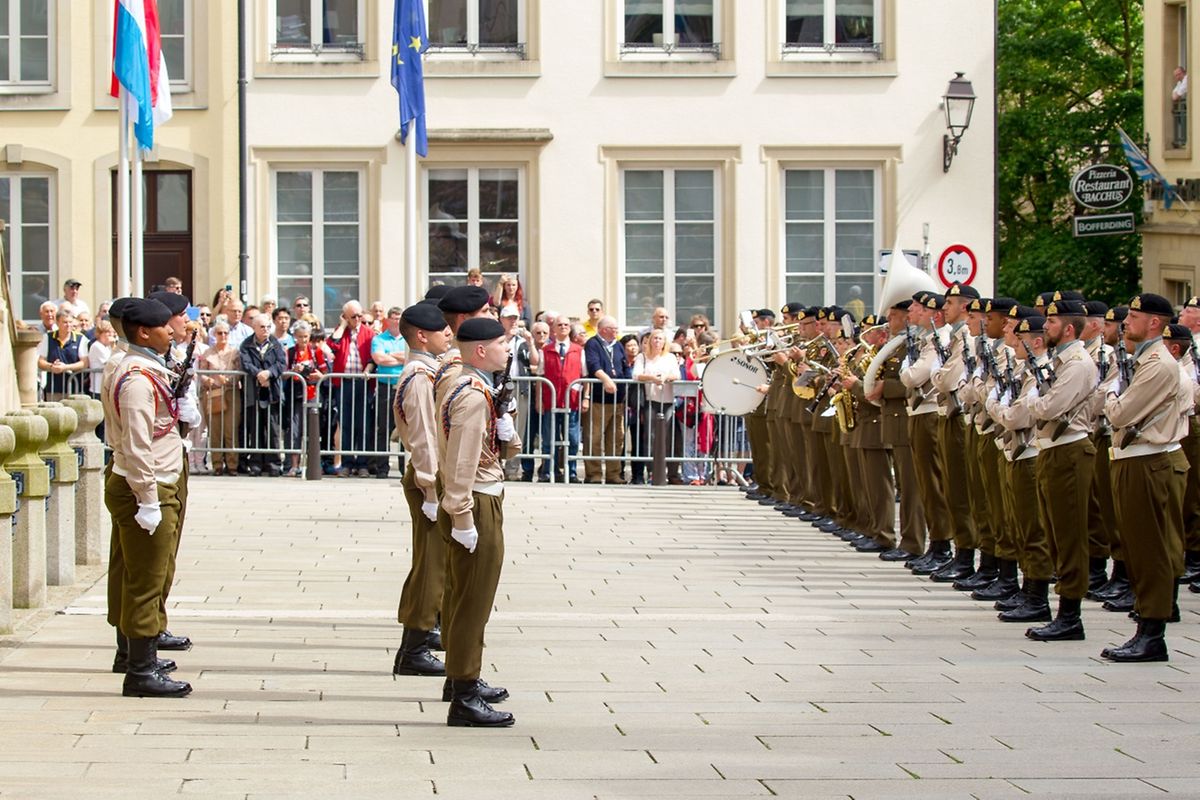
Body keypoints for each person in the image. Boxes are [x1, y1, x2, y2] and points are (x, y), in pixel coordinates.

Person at [101, 297, 192, 698]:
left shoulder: (141, 369)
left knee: (141, 573)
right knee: (146, 580)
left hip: (150, 477)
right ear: (143, 332)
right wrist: (148, 499)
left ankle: (138, 654)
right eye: (164, 327)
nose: (171, 331)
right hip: (147, 481)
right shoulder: (137, 379)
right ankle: (140, 671)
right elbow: (138, 445)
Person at [437, 316, 519, 727]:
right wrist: (463, 517)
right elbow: (463, 461)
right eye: (502, 344)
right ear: (481, 351)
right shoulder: (471, 395)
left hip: (479, 496)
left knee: (464, 593)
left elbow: (491, 448)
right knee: (474, 599)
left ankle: (458, 679)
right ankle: (464, 694)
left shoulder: (471, 387)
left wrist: (507, 428)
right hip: (479, 500)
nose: (507, 350)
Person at [1102, 293, 1189, 661]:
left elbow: (1120, 413)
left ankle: (1152, 633)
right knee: (1139, 547)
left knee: (1149, 549)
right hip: (1137, 460)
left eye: (1135, 316)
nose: (1127, 322)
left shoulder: (1157, 364)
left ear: (1155, 323)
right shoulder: (1147, 360)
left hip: (1148, 461)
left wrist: (1108, 393)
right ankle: (1146, 625)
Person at [1011, 298, 1097, 643]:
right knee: (1056, 534)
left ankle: (1071, 615)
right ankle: (1061, 609)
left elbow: (1046, 407)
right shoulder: (1060, 362)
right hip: (1053, 451)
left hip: (1070, 452)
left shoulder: (1076, 364)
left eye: (1051, 322)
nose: (1044, 327)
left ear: (1069, 328)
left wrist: (1030, 401)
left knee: (1070, 536)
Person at [391, 303, 453, 680]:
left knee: (436, 563)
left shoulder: (429, 370)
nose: (448, 334)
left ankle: (417, 642)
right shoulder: (418, 376)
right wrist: (430, 490)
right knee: (430, 565)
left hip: (434, 476)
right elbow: (424, 436)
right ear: (420, 336)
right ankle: (413, 648)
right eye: (440, 329)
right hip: (427, 477)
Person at [328, 300, 376, 476]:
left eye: (359, 315)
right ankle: (347, 462)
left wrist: (368, 370)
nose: (357, 319)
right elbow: (332, 346)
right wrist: (342, 326)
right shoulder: (341, 333)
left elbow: (373, 356)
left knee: (363, 422)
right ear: (346, 317)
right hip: (345, 382)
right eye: (353, 316)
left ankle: (362, 463)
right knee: (346, 423)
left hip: (362, 382)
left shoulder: (369, 333)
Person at [238, 313, 288, 476]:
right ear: (254, 328)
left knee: (273, 429)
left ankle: (273, 463)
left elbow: (281, 363)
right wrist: (259, 374)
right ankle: (256, 463)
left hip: (272, 391)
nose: (265, 330)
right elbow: (245, 363)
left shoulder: (275, 343)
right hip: (254, 391)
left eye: (268, 326)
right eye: (262, 327)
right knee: (256, 428)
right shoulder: (246, 344)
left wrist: (269, 373)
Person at [583, 315, 630, 483]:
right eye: (614, 329)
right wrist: (606, 379)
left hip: (618, 400)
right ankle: (594, 474)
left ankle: (613, 474)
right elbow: (593, 365)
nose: (617, 332)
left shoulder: (617, 345)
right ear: (604, 330)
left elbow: (625, 367)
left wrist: (628, 384)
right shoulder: (593, 343)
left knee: (616, 438)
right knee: (594, 438)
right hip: (599, 399)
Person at [633, 328, 682, 483]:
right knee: (651, 436)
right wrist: (652, 378)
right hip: (650, 400)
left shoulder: (670, 358)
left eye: (660, 339)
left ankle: (666, 470)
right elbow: (636, 375)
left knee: (666, 436)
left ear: (664, 342)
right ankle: (652, 470)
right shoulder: (642, 357)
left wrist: (666, 377)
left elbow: (677, 375)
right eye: (654, 338)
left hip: (667, 400)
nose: (657, 341)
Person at [539, 317, 585, 482]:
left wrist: (585, 398)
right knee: (549, 438)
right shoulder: (546, 350)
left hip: (571, 402)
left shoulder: (578, 350)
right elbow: (540, 376)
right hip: (550, 401)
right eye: (560, 325)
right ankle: (547, 471)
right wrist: (539, 400)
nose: (563, 327)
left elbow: (584, 377)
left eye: (566, 325)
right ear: (554, 330)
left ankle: (571, 472)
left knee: (572, 439)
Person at [200, 320, 242, 476]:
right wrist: (208, 380)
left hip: (231, 393)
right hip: (213, 393)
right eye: (219, 333)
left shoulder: (234, 353)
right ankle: (217, 464)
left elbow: (239, 374)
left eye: (225, 332)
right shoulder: (208, 353)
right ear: (214, 335)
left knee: (231, 430)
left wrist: (230, 380)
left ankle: (232, 464)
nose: (223, 335)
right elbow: (201, 373)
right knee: (215, 430)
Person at [370, 306, 407, 477]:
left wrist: (390, 355)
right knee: (383, 428)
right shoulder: (379, 338)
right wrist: (399, 357)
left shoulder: (407, 339)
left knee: (404, 429)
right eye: (394, 318)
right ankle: (382, 468)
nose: (396, 321)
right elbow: (379, 359)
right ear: (388, 320)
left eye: (399, 318)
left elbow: (409, 358)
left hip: (403, 387)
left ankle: (403, 467)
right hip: (385, 387)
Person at [517, 320, 548, 481]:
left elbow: (536, 367)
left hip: (548, 397)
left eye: (544, 333)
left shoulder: (551, 348)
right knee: (528, 434)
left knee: (547, 435)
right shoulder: (524, 346)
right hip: (529, 394)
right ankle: (527, 470)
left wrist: (535, 369)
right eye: (538, 333)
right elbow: (534, 364)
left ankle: (545, 469)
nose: (541, 336)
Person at [38, 306, 90, 400]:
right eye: (65, 322)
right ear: (57, 323)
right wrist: (51, 367)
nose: (68, 325)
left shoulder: (80, 339)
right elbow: (40, 361)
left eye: (70, 322)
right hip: (53, 389)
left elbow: (84, 363)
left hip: (75, 389)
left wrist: (65, 368)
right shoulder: (48, 337)